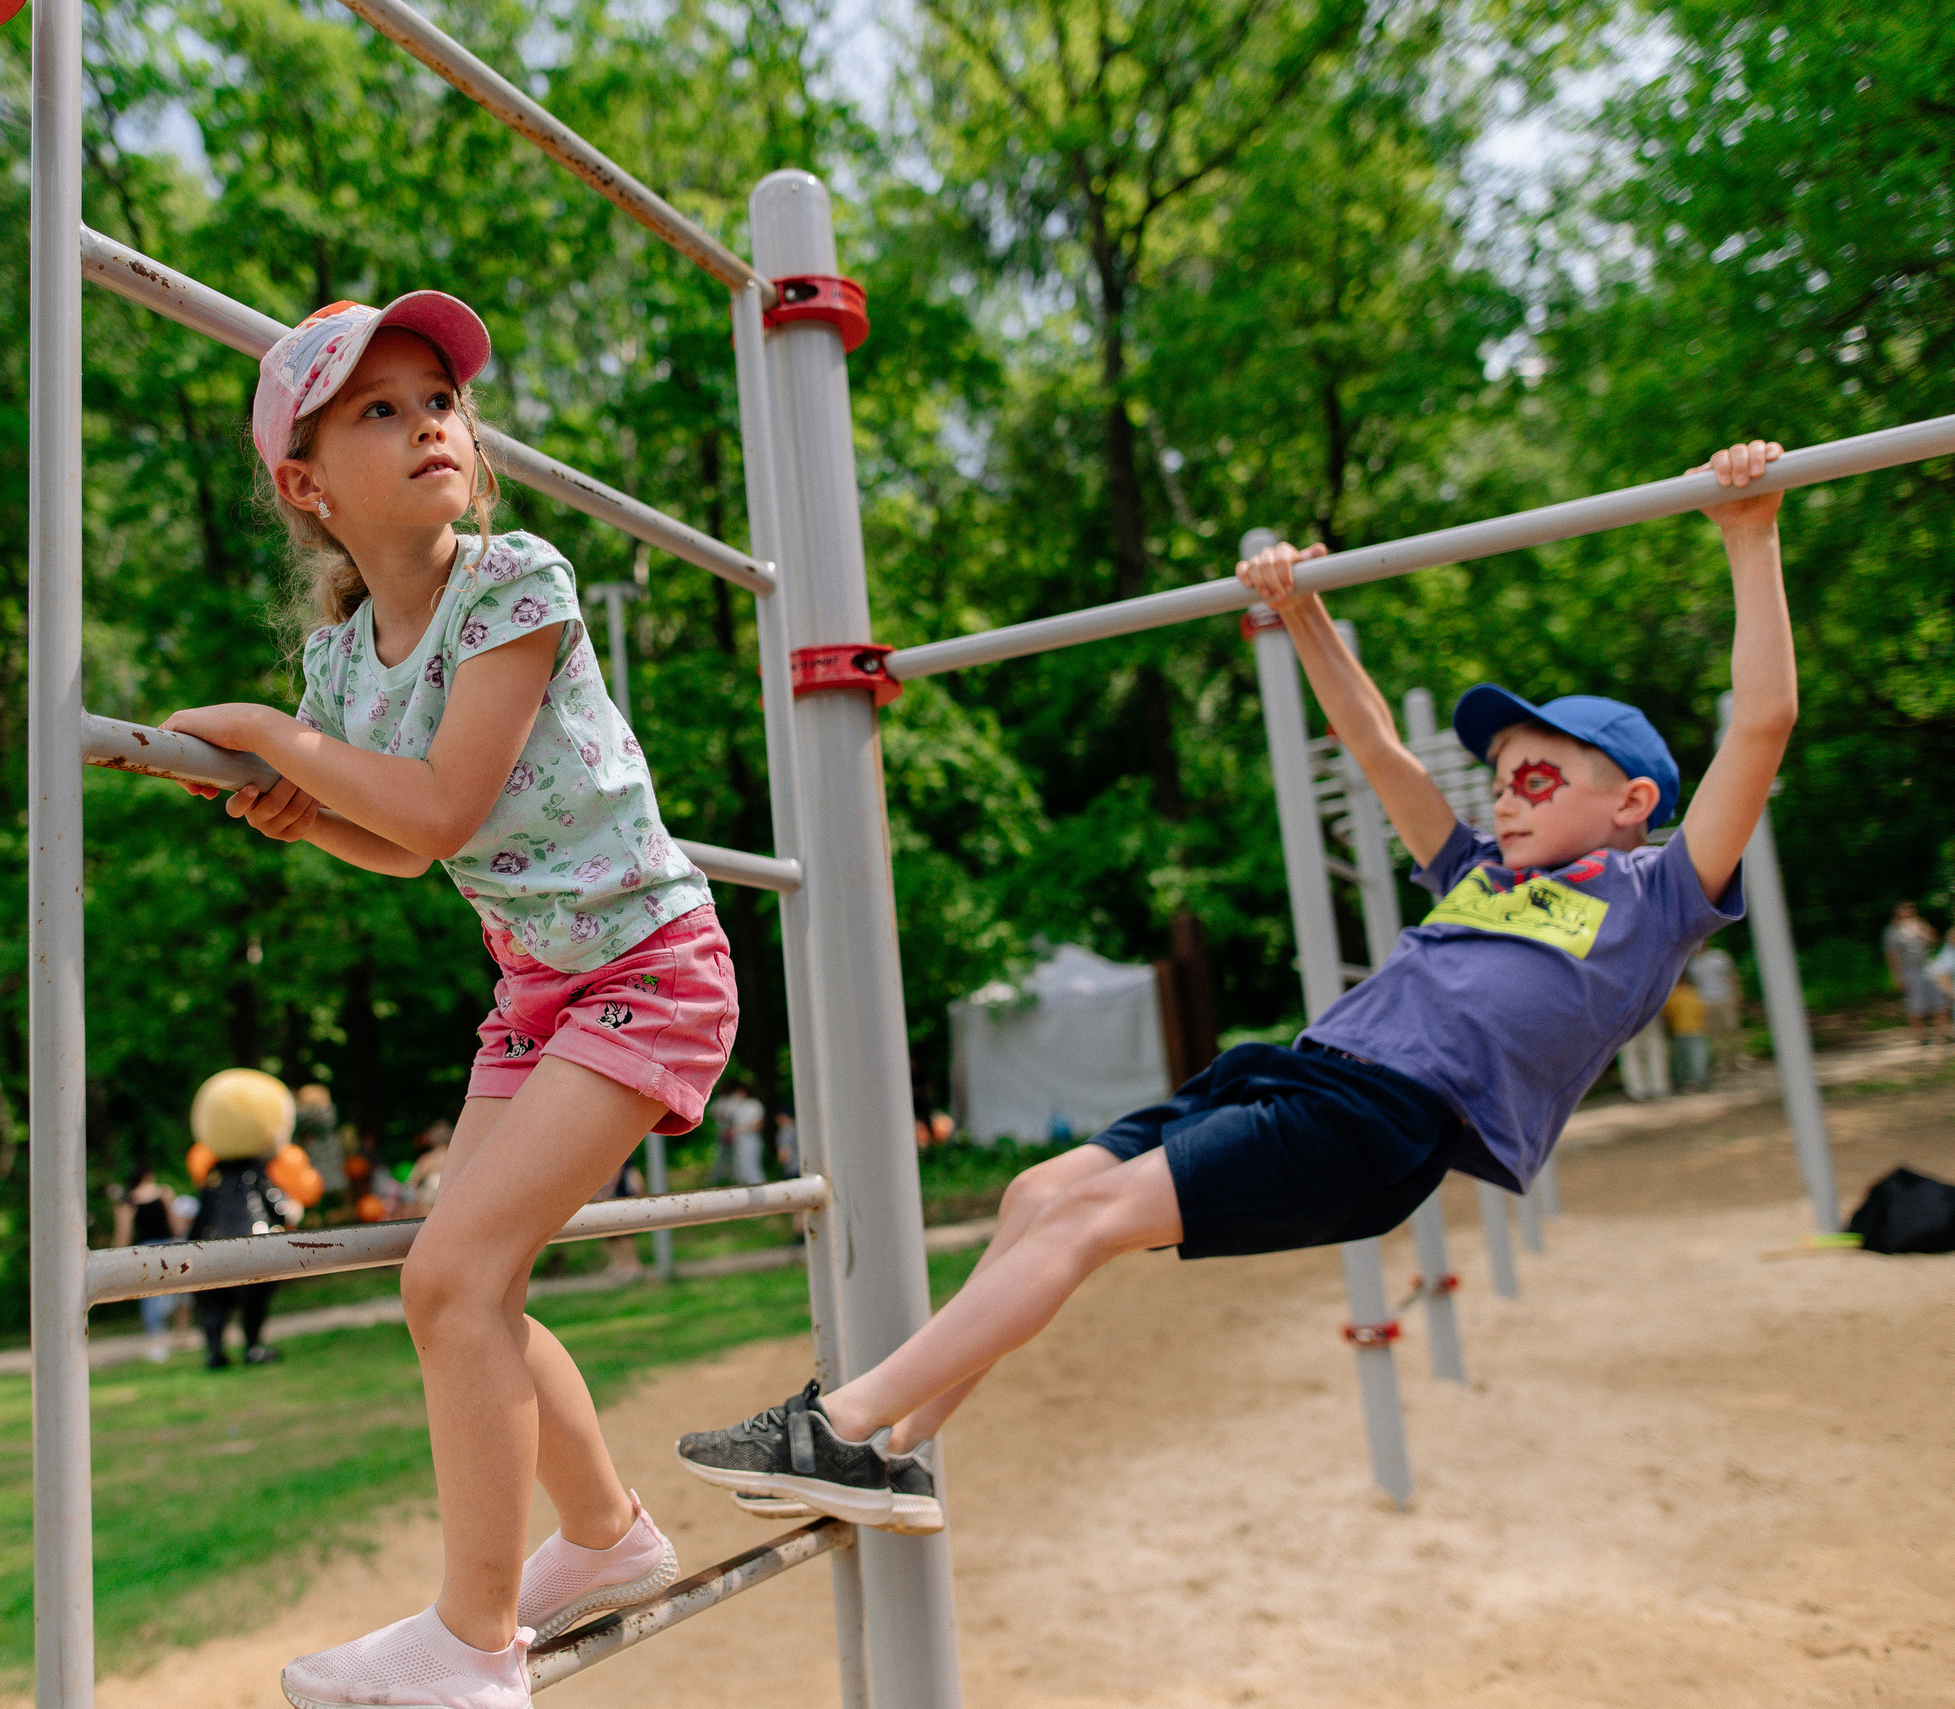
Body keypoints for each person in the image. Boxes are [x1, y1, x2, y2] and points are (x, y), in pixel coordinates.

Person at [674, 439, 1795, 1535]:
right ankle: (896, 1450)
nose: (1504, 797)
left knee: (1097, 1217)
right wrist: (1300, 611)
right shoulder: (1473, 874)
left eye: (1537, 777)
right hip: (1294, 1070)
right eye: (1497, 777)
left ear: (1634, 801)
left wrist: (1749, 536)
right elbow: (1378, 752)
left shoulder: (1655, 899)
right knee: (1036, 1195)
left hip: (1384, 1121)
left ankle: (845, 1422)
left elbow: (1759, 723)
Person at [157, 291, 727, 1709]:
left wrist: (273, 743)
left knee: (449, 1279)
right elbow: (411, 841)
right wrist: (310, 810)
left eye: (439, 401)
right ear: (307, 486)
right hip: (538, 991)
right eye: (379, 410)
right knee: (468, 1284)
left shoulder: (513, 581)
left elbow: (454, 794)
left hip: (646, 965)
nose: (428, 424)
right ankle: (606, 1536)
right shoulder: (341, 664)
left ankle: (474, 1650)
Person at [190, 1070, 305, 1371]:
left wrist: (191, 1241)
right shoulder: (256, 1171)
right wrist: (291, 1211)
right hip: (254, 1243)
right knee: (253, 1299)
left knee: (213, 1301)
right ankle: (251, 1346)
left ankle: (215, 1351)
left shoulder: (213, 1176)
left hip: (212, 1244)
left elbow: (203, 1213)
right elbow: (275, 1204)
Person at [113, 1167, 189, 1362]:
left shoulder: (128, 1201)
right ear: (148, 1176)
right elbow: (175, 1225)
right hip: (168, 1247)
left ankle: (157, 1342)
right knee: (180, 1290)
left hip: (144, 1251)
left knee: (149, 1297)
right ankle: (181, 1337)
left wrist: (115, 1257)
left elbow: (124, 1233)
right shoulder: (164, 1193)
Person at [1883, 902, 1949, 1046]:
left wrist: (1926, 932)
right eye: (1904, 911)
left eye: (1910, 910)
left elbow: (1934, 941)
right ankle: (1920, 1037)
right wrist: (1898, 977)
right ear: (1897, 913)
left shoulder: (1919, 924)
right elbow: (1891, 956)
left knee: (1939, 1001)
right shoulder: (1892, 931)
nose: (1908, 913)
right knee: (1915, 1005)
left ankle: (1944, 1034)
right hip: (1909, 971)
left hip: (1927, 967)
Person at [1686, 942, 1743, 1076]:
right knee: (1714, 1033)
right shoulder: (1692, 965)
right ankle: (1722, 1061)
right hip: (1706, 1002)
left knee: (1731, 1028)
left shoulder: (1719, 956)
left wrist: (1736, 995)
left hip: (1725, 998)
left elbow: (1731, 977)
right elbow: (1693, 986)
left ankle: (1738, 1058)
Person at [1664, 977, 1711, 1091]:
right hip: (1696, 1029)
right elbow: (1702, 1010)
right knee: (1697, 1057)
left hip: (1679, 1031)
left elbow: (1667, 1014)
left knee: (1681, 1059)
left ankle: (1683, 1082)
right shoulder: (1693, 993)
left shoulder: (1672, 996)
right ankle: (1700, 1081)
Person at [1618, 1003, 1672, 1100]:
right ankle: (1657, 1087)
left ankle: (1637, 1090)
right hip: (1649, 1010)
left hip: (1624, 1013)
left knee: (1631, 1053)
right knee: (1654, 1050)